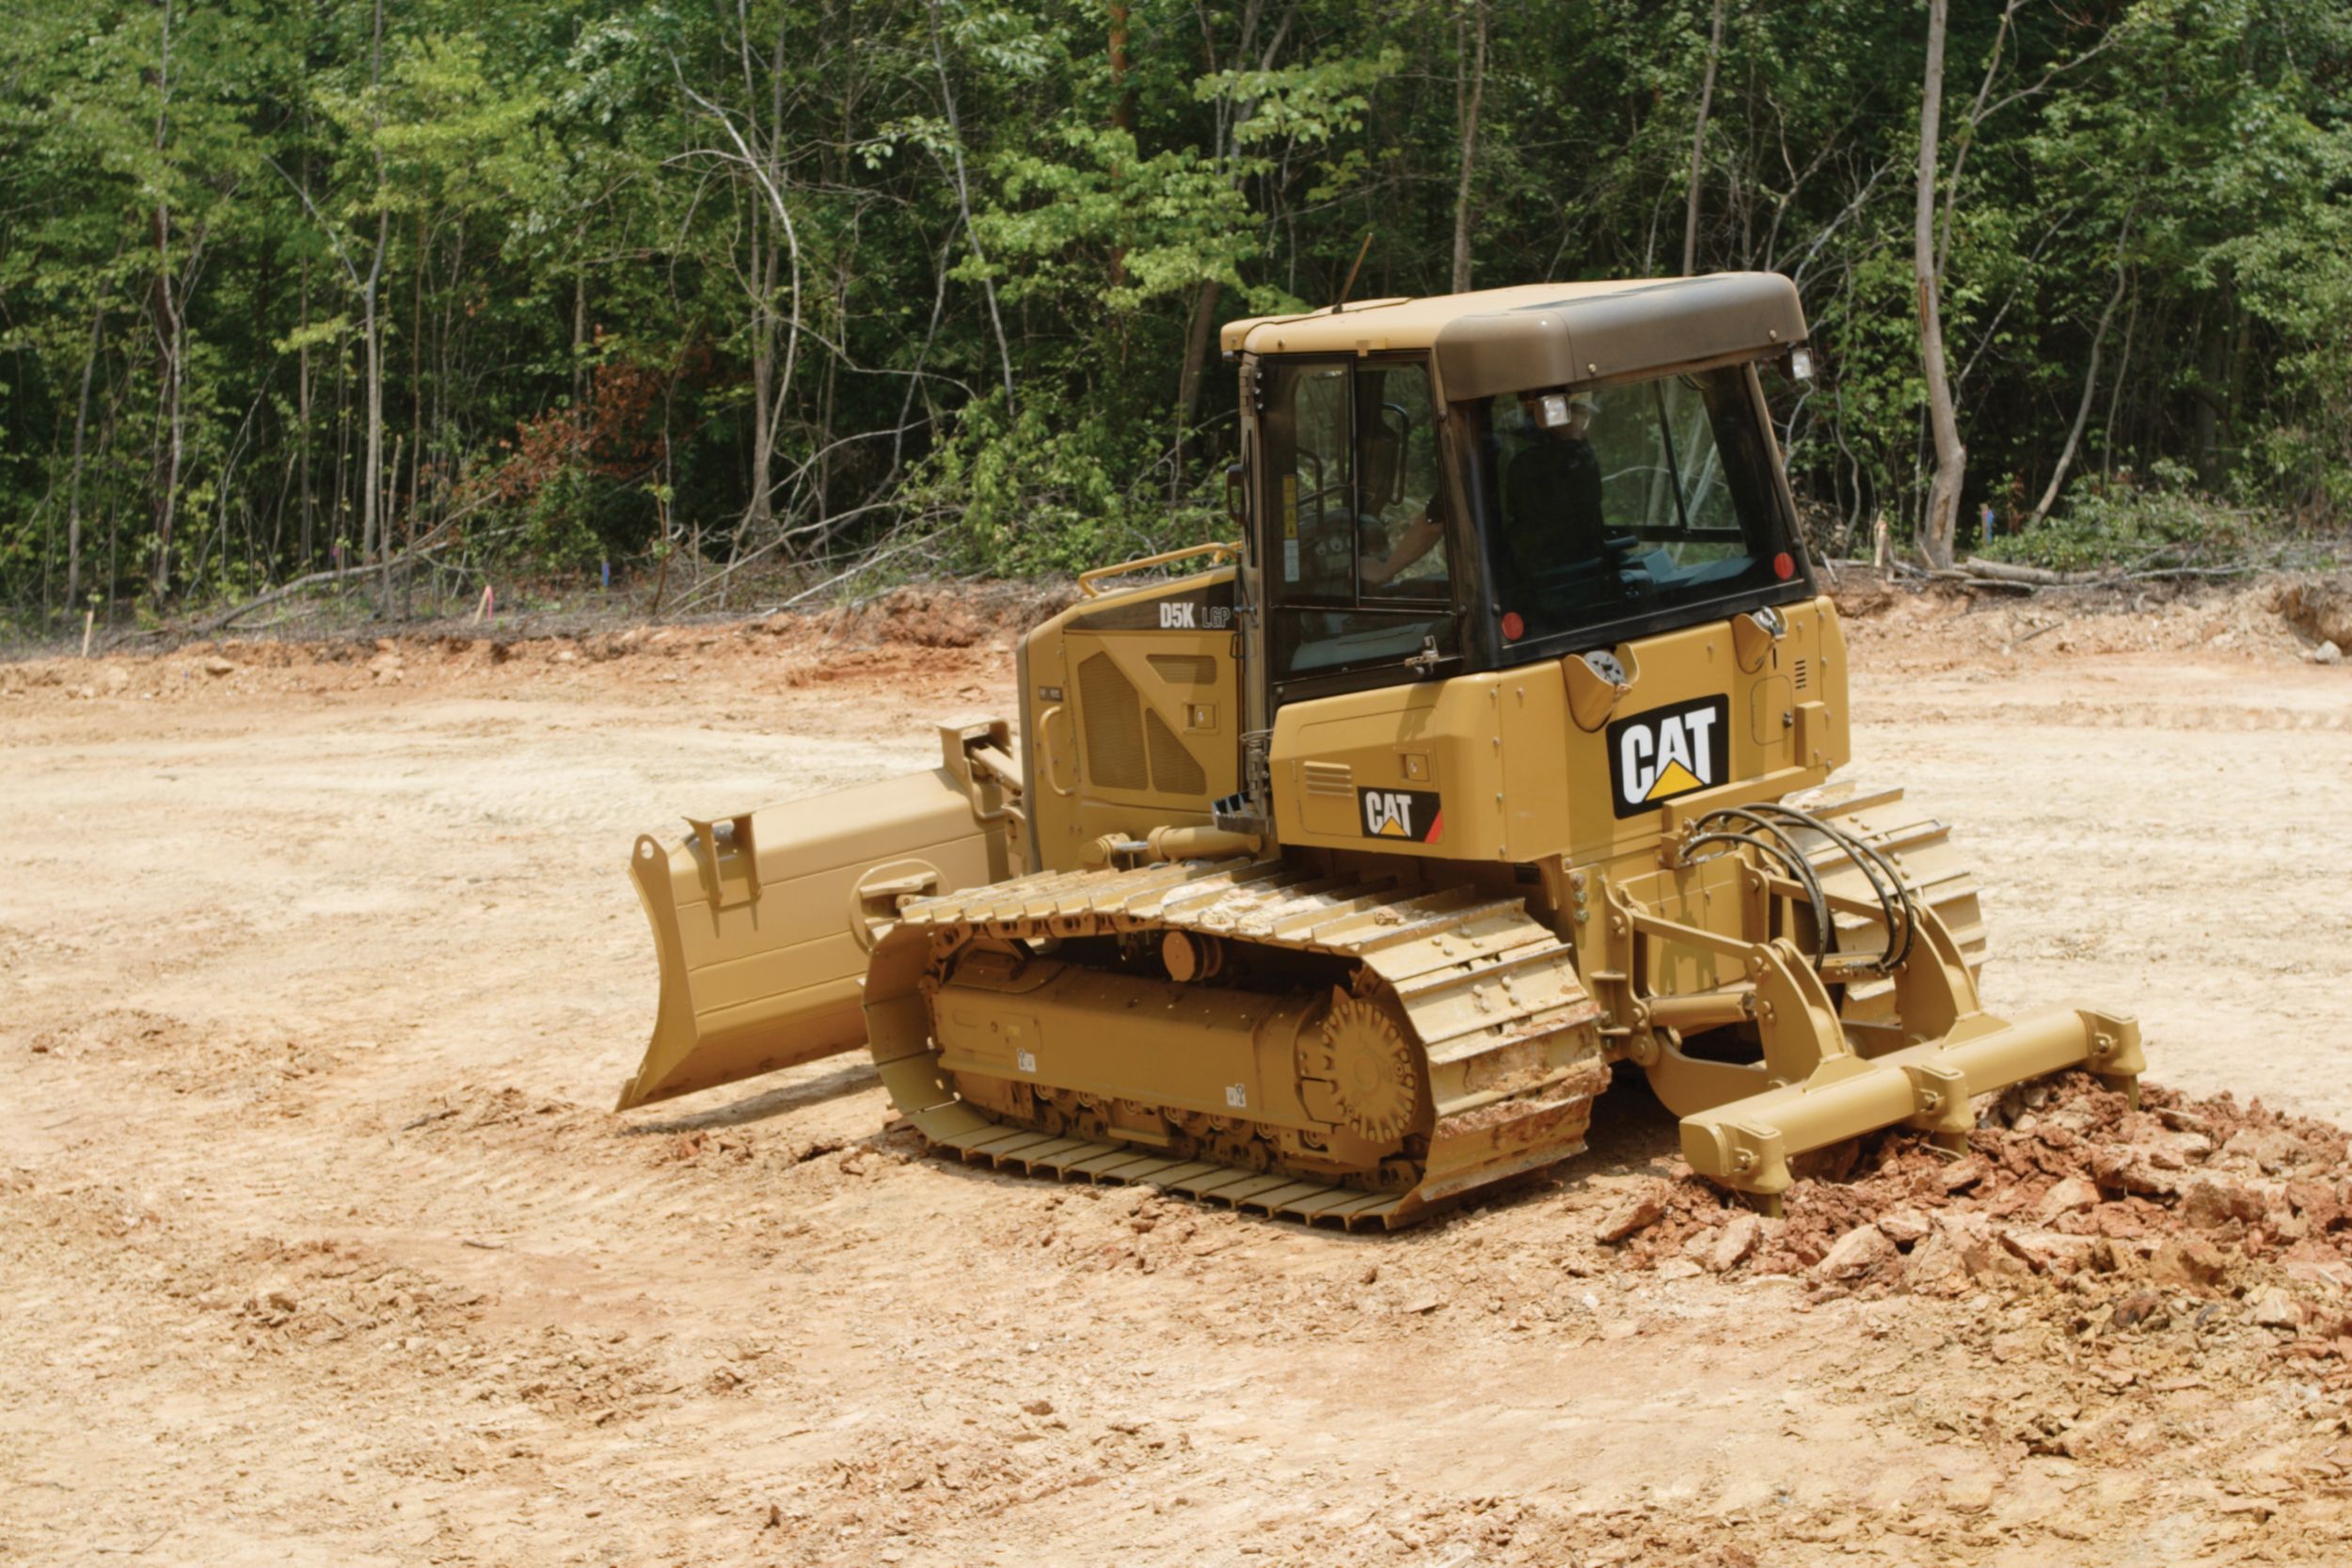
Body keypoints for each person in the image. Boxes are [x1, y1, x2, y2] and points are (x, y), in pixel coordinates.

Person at [1502, 389, 1607, 578]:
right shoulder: (1531, 463)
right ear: (1555, 417)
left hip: (1585, 572)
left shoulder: (1580, 455)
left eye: (1586, 416)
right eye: (1581, 415)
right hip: (1550, 577)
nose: (1585, 425)